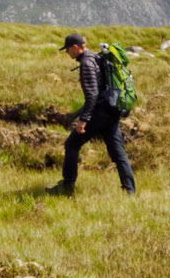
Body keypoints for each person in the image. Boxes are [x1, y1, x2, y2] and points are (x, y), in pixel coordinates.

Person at [53, 32, 136, 195]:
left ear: (75, 48)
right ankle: (130, 191)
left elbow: (92, 95)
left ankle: (67, 187)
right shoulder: (96, 58)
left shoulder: (86, 63)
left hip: (101, 112)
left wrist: (83, 120)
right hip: (112, 110)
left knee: (71, 144)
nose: (66, 52)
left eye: (67, 49)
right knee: (118, 152)